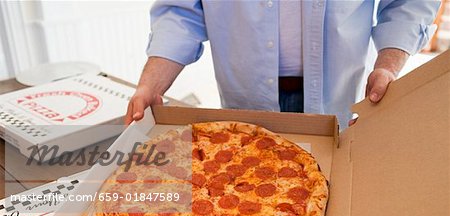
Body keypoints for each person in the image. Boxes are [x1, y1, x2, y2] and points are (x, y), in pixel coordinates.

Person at [125, 0, 440, 127]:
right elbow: (181, 10)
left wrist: (388, 64)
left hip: (345, 97)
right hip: (243, 102)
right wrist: (151, 84)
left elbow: (408, 2)